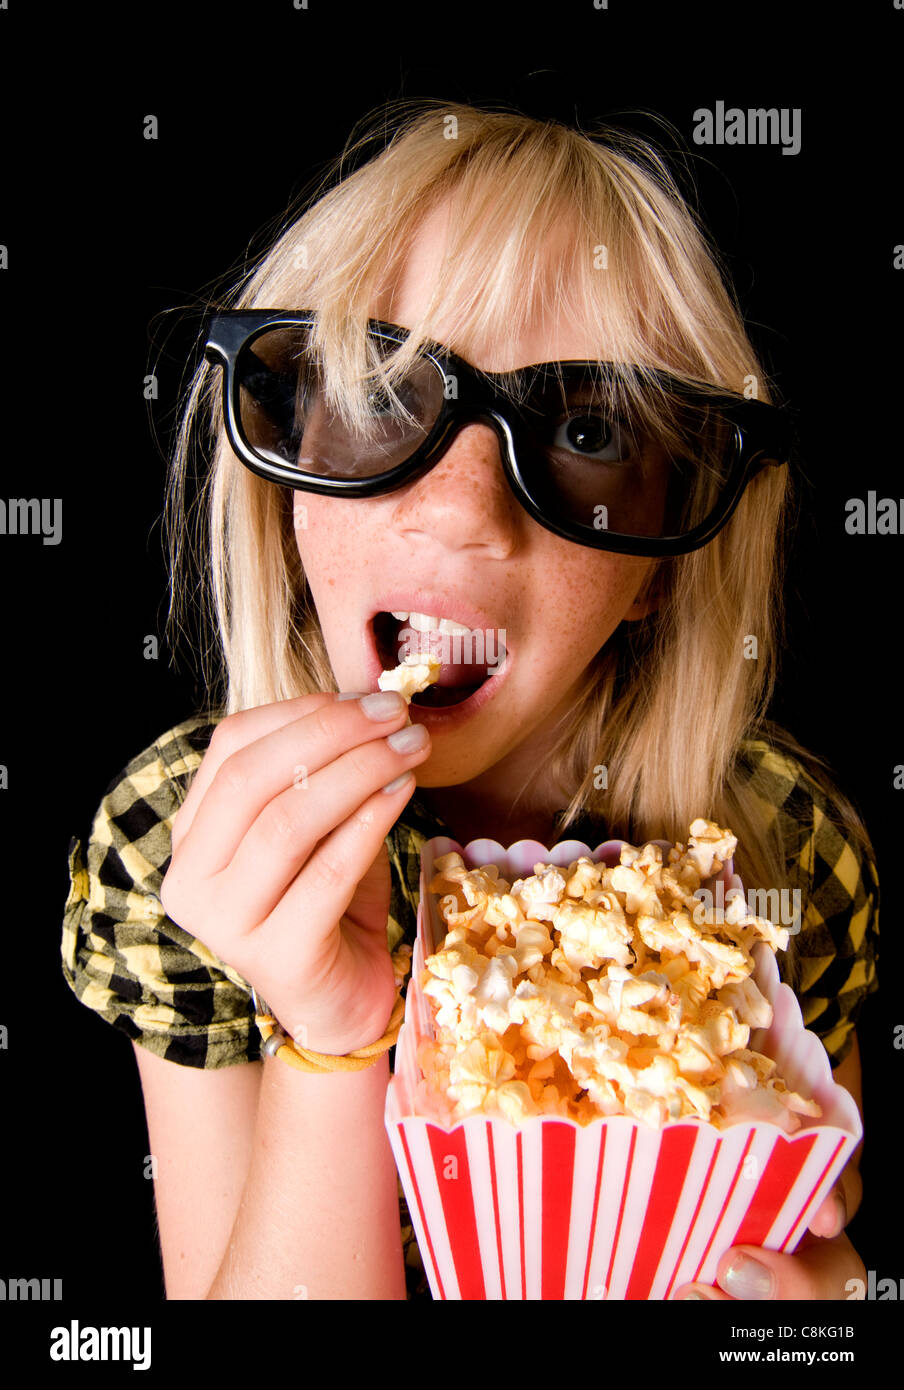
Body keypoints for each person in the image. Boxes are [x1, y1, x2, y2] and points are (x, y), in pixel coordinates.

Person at [61, 100, 878, 1301]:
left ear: (662, 559)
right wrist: (333, 1041)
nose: (459, 509)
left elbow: (809, 1244)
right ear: (288, 501)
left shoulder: (784, 851)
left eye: (588, 428)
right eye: (381, 394)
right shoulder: (189, 839)